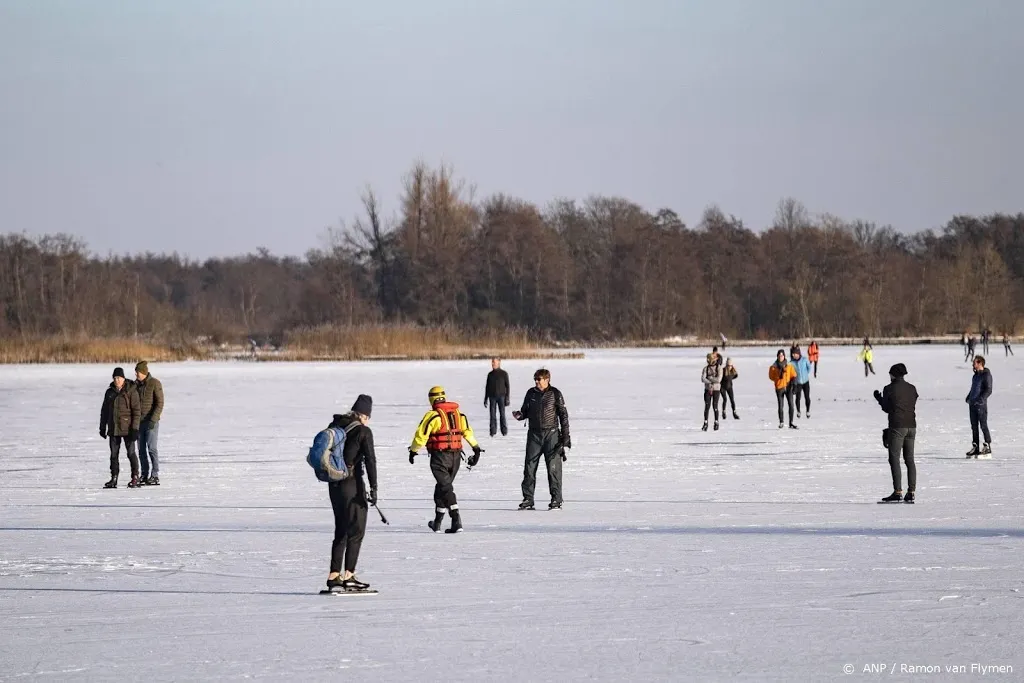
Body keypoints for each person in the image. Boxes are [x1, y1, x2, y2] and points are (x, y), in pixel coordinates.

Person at [409, 386, 482, 533]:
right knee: (442, 488)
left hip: (440, 457)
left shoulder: (432, 416)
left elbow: (421, 435)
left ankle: (456, 520)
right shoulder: (459, 415)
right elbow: (467, 432)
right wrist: (476, 448)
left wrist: (413, 451)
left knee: (446, 488)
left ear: (431, 399)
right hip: (456, 458)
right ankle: (437, 522)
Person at [325, 394, 378, 591]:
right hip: (351, 484)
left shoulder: (337, 425)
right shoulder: (363, 431)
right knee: (357, 529)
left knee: (341, 529)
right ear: (364, 415)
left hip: (334, 483)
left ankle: (333, 575)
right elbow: (370, 461)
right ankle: (349, 575)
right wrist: (374, 487)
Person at [512, 368, 571, 510]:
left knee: (553, 468)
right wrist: (520, 415)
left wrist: (566, 437)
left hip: (551, 435)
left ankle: (556, 499)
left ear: (547, 379)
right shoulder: (531, 393)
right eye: (535, 379)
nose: (536, 382)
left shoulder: (555, 393)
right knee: (529, 467)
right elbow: (525, 412)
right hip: (534, 435)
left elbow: (563, 415)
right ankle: (528, 499)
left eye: (539, 379)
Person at [873, 363, 918, 503]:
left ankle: (897, 491)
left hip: (897, 427)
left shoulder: (889, 388)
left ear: (893, 374)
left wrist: (879, 398)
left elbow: (886, 408)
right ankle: (911, 492)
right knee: (909, 459)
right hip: (911, 426)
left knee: (894, 459)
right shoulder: (912, 388)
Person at [99, 367, 142, 488]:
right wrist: (102, 427)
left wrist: (135, 428)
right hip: (113, 428)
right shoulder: (110, 392)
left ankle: (135, 477)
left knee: (131, 453)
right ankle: (114, 478)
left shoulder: (131, 391)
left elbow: (137, 411)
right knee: (113, 454)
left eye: (119, 378)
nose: (117, 380)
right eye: (115, 378)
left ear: (123, 378)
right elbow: (104, 411)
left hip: (128, 428)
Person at [134, 361, 164, 485]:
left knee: (151, 448)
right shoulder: (135, 385)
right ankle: (144, 475)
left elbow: (160, 403)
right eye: (135, 372)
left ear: (144, 372)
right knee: (141, 450)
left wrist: (153, 419)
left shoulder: (155, 383)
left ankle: (155, 474)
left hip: (151, 422)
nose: (136, 374)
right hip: (139, 422)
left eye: (138, 372)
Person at [965, 356, 993, 459]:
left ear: (980, 363)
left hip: (981, 405)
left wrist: (980, 400)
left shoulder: (986, 375)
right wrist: (969, 397)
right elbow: (973, 389)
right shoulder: (975, 376)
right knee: (974, 427)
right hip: (972, 405)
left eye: (974, 363)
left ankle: (987, 446)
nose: (973, 365)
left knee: (983, 425)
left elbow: (988, 389)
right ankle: (975, 447)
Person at [769, 349, 798, 429]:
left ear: (784, 356)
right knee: (780, 406)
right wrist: (778, 375)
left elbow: (794, 375)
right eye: (779, 356)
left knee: (791, 405)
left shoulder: (789, 365)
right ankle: (781, 422)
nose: (780, 357)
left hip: (788, 387)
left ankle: (791, 422)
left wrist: (795, 386)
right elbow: (771, 377)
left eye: (782, 355)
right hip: (779, 387)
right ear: (777, 357)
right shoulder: (774, 367)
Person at [484, 357, 511, 437]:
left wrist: (507, 398)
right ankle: (493, 431)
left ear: (499, 363)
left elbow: (508, 386)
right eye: (492, 362)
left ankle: (504, 431)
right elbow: (487, 387)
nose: (492, 364)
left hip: (501, 397)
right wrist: (486, 399)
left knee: (502, 414)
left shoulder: (503, 373)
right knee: (492, 415)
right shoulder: (490, 374)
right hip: (492, 397)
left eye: (494, 362)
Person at [701, 353, 723, 431]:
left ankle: (716, 422)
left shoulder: (719, 368)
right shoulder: (705, 369)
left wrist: (709, 378)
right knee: (707, 406)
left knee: (715, 406)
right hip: (708, 390)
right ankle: (705, 422)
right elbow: (703, 379)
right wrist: (710, 382)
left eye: (709, 359)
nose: (708, 361)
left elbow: (718, 379)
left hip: (716, 390)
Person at [790, 346, 813, 418]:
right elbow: (790, 372)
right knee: (798, 398)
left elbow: (809, 368)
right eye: (793, 354)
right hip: (798, 383)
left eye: (795, 354)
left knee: (807, 397)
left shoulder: (804, 360)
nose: (794, 355)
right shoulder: (791, 363)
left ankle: (808, 411)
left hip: (806, 382)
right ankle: (798, 411)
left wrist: (805, 374)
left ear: (798, 353)